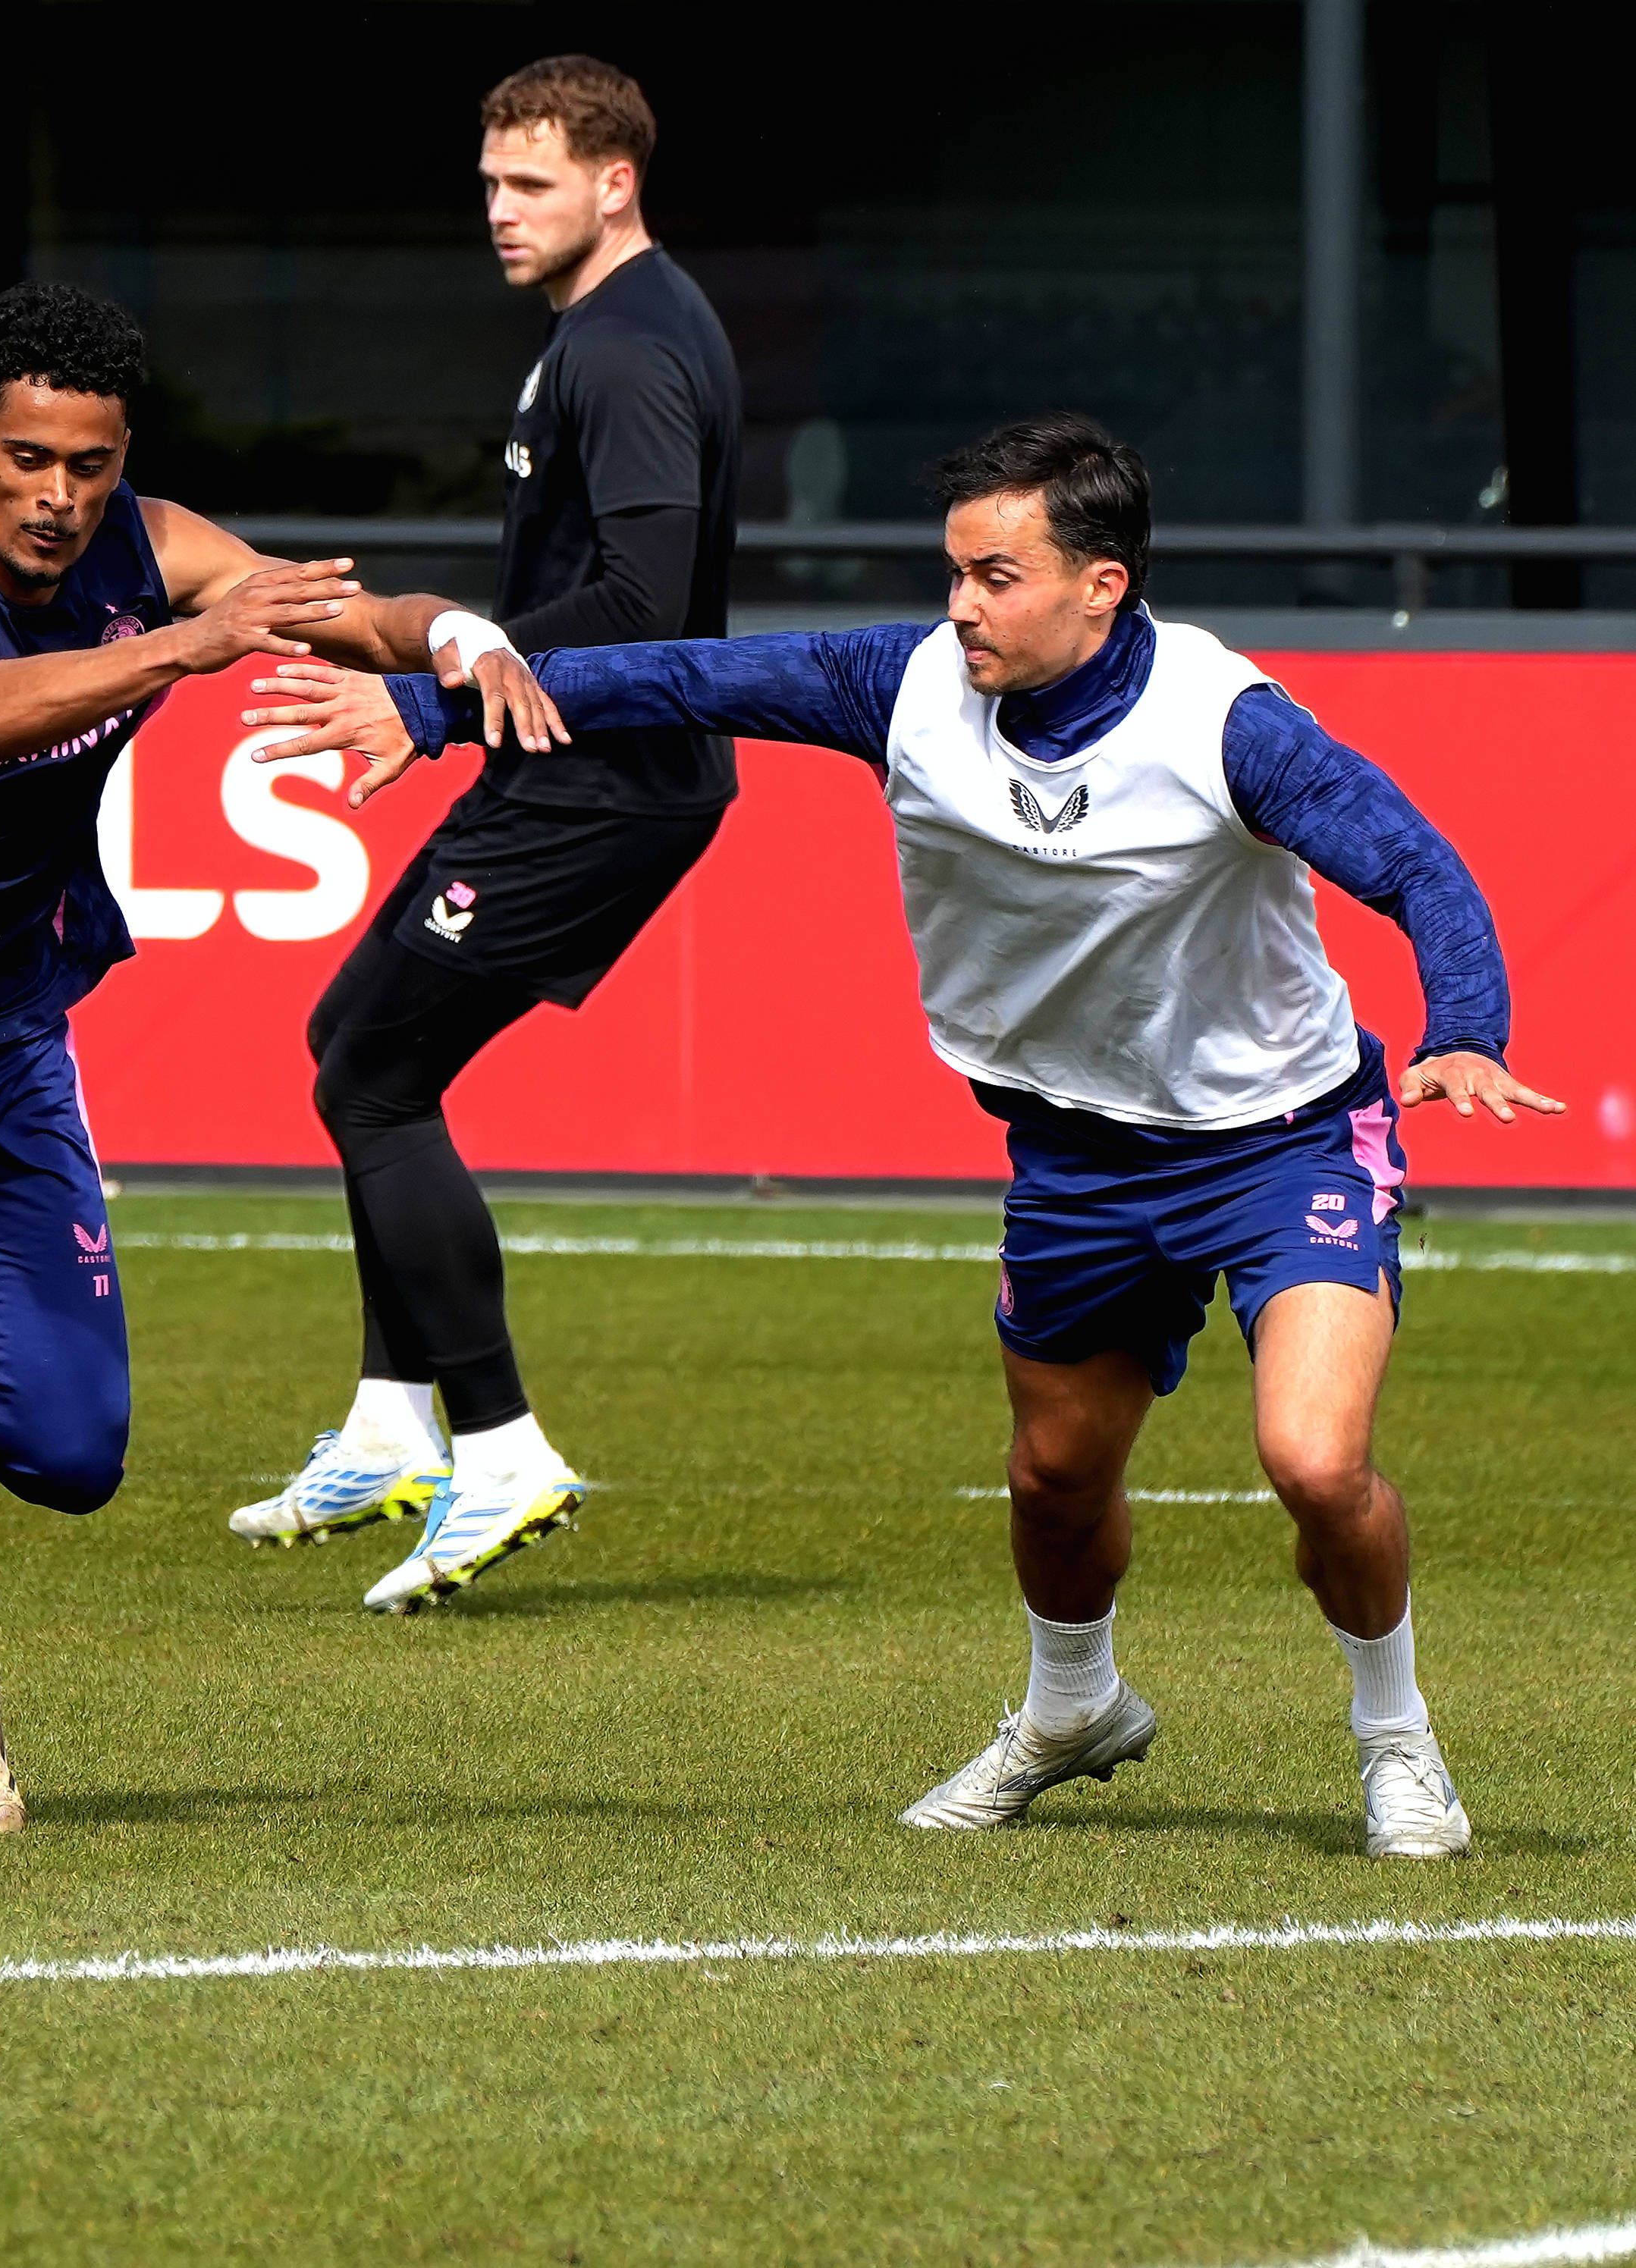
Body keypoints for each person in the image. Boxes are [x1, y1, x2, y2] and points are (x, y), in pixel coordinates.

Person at [248, 411, 1556, 1856]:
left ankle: (1396, 1743)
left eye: (997, 576)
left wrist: (1464, 1030)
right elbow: (673, 675)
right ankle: (1071, 1709)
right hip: (1072, 1153)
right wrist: (433, 711)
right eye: (953, 571)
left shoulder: (1223, 722)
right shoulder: (902, 683)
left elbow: (1417, 863)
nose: (960, 606)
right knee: (1053, 1479)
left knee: (1313, 1459)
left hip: (1280, 1141)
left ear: (1101, 584)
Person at [0, 282, 524, 1834]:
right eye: (23, 457)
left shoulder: (155, 550)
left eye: (88, 464)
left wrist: (459, 638)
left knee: (71, 1457)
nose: (55, 495)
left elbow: (349, 613)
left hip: (11, 1039)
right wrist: (185, 646)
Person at [222, 55, 743, 1618]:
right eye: (490, 185)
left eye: (530, 186)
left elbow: (643, 607)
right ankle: (393, 1421)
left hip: (603, 777)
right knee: (352, 1040)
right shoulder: (596, 333)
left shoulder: (631, 345)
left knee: (373, 1072)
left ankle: (500, 1443)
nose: (500, 214)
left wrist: (439, 689)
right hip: (569, 763)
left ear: (613, 183)